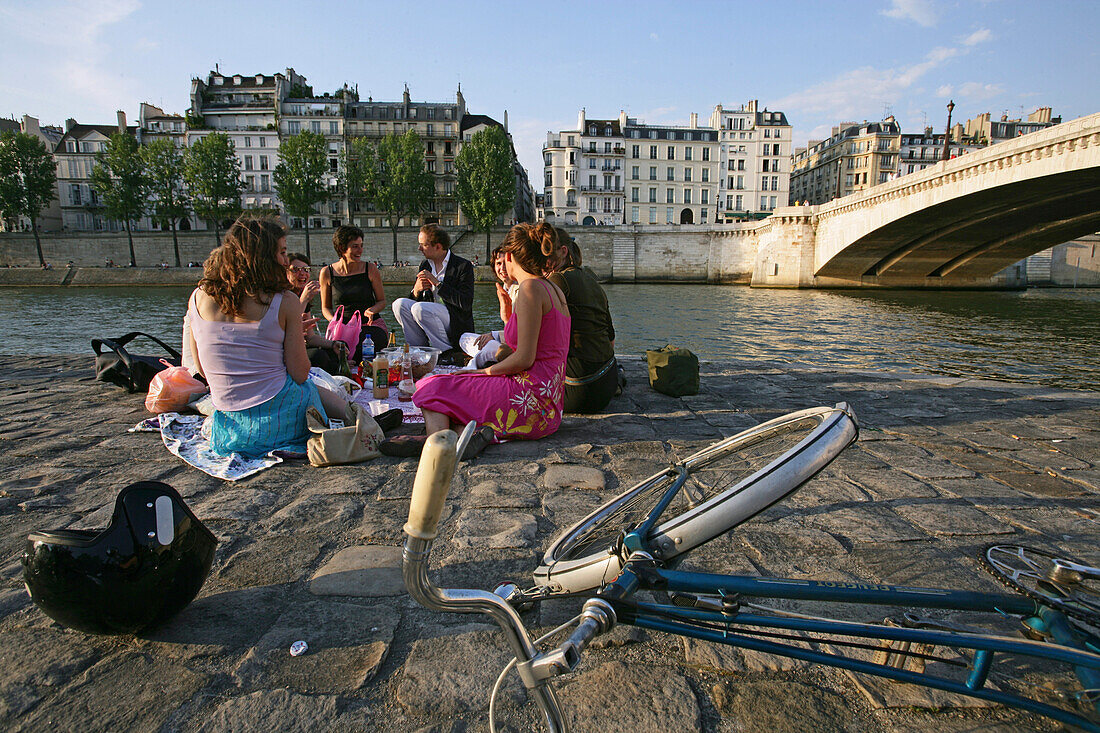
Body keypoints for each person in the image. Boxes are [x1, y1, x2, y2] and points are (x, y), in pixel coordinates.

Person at [386, 222, 570, 458]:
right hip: (549, 407)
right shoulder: (552, 288)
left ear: (510, 255)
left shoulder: (529, 289)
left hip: (530, 401)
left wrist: (482, 373)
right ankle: (463, 434)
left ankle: (436, 444)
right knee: (451, 385)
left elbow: (524, 358)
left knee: (430, 386)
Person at [187, 217, 345, 457]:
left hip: (230, 428)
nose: (285, 260)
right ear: (262, 257)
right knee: (312, 385)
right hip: (280, 424)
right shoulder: (285, 302)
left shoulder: (197, 297)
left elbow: (200, 367)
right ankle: (356, 417)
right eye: (282, 252)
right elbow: (300, 373)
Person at [546, 232, 622, 413]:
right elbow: (610, 338)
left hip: (580, 391)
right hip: (607, 381)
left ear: (563, 252)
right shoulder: (590, 277)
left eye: (545, 251)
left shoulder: (558, 279)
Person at [391, 224, 474, 351]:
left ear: (438, 246)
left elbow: (465, 303)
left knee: (420, 308)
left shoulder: (462, 266)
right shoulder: (425, 265)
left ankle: (445, 351)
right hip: (429, 317)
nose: (419, 248)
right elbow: (414, 305)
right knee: (399, 304)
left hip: (455, 320)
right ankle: (418, 349)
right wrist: (416, 290)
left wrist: (437, 283)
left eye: (423, 245)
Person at [319, 225, 388, 360]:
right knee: (337, 349)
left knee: (371, 341)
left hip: (369, 326)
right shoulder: (327, 273)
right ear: (341, 248)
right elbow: (326, 308)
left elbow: (382, 301)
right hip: (343, 327)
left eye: (361, 246)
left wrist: (371, 310)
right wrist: (335, 322)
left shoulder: (370, 269)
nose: (360, 251)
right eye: (355, 246)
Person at [287, 252, 350, 372]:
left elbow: (310, 338)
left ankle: (339, 366)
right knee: (318, 356)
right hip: (288, 350)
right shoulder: (284, 297)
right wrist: (303, 300)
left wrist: (333, 344)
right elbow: (287, 326)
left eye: (306, 269)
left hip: (303, 345)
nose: (302, 273)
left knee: (341, 346)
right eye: (296, 269)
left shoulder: (303, 297)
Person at [458, 246, 517, 369]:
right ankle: (491, 357)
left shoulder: (521, 290)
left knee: (489, 347)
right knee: (464, 338)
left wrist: (494, 335)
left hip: (516, 348)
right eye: (499, 264)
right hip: (508, 343)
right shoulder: (505, 289)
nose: (502, 268)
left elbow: (521, 333)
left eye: (506, 263)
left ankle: (471, 368)